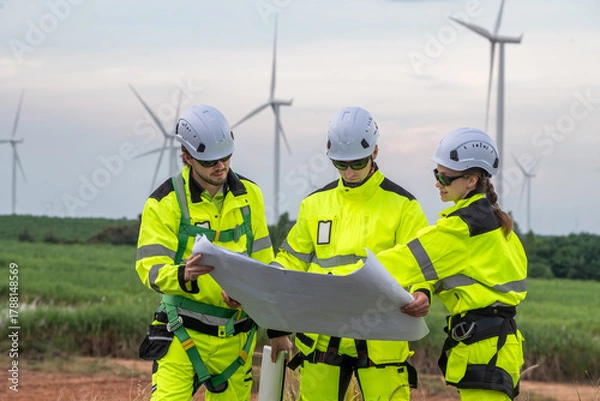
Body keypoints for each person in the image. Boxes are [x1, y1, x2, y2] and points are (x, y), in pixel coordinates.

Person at [269, 106, 430, 400]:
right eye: (341, 164)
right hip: (321, 335)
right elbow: (290, 261)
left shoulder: (403, 206)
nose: (350, 172)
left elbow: (424, 265)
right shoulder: (314, 205)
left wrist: (423, 291)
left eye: (357, 162)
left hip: (380, 337)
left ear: (375, 152)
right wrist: (264, 281)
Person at [135, 104, 275, 401]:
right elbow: (149, 268)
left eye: (226, 157)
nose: (220, 166)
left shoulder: (251, 196)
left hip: (236, 340)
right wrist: (183, 275)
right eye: (210, 160)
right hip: (182, 335)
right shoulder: (164, 202)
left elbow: (266, 265)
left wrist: (271, 323)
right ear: (186, 157)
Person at [379, 127, 528, 401]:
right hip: (497, 344)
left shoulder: (463, 227)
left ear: (471, 180)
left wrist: (346, 273)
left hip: (484, 348)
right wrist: (427, 289)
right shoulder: (496, 223)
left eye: (444, 176)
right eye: (436, 173)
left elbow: (404, 261)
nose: (438, 182)